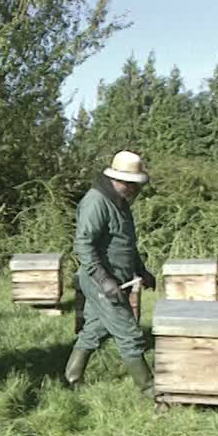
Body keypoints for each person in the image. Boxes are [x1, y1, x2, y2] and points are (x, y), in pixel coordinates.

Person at [64, 150, 158, 399]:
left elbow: (125, 243)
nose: (136, 190)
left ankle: (72, 377)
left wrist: (141, 270)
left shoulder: (120, 203)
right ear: (120, 180)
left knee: (95, 329)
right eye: (133, 184)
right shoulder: (96, 202)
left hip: (118, 279)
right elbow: (83, 244)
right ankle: (152, 392)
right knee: (130, 334)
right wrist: (104, 280)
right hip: (101, 281)